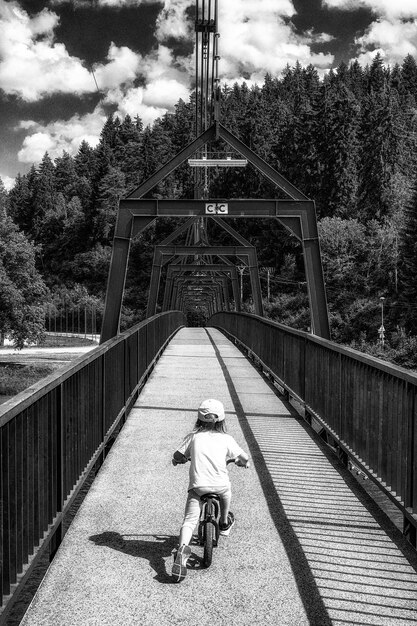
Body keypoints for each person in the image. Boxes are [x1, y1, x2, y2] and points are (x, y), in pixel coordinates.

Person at [171, 398, 249, 582]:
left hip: (198, 487)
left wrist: (179, 460)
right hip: (219, 487)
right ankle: (223, 521)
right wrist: (241, 462)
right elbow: (244, 458)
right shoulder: (226, 439)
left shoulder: (194, 437)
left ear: (199, 419)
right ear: (222, 420)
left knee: (190, 521)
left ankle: (182, 549)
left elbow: (177, 455)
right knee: (226, 490)